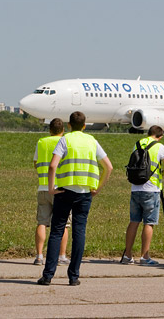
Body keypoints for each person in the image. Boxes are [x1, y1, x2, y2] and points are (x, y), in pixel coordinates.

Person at [38, 111, 113, 286]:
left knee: (57, 231)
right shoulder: (92, 141)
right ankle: (74, 276)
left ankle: (48, 275)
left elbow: (52, 166)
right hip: (85, 192)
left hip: (64, 192)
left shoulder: (65, 140)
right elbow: (108, 167)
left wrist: (51, 188)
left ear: (69, 126)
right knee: (79, 232)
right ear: (85, 126)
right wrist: (98, 188)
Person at [122, 125, 164, 265]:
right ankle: (145, 256)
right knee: (149, 222)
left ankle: (127, 255)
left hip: (135, 187)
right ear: (160, 136)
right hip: (152, 189)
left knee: (134, 221)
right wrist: (161, 174)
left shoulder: (137, 144)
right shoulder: (160, 147)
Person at [33, 118, 71, 266]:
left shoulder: (41, 142)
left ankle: (39, 255)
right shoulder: (65, 141)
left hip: (43, 186)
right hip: (60, 187)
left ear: (49, 129)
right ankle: (61, 256)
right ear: (62, 130)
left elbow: (36, 163)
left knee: (42, 222)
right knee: (63, 224)